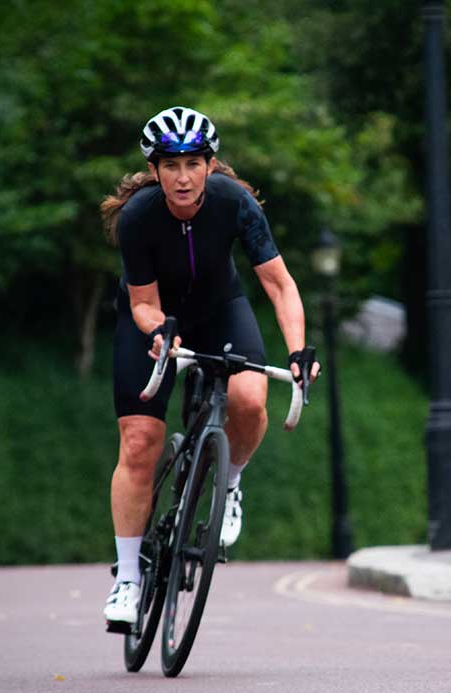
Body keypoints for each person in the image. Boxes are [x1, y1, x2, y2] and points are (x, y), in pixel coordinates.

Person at [98, 106, 320, 629]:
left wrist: (297, 350)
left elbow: (280, 284)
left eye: (193, 163)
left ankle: (231, 482)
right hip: (151, 320)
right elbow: (143, 304)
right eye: (170, 165)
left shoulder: (235, 203)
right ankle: (127, 579)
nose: (182, 176)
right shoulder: (138, 217)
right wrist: (158, 334)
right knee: (138, 443)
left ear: (209, 164)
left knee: (249, 401)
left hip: (220, 310)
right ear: (154, 170)